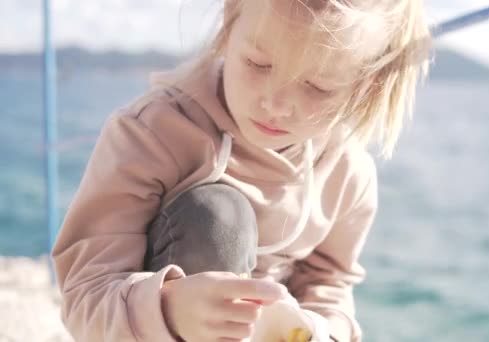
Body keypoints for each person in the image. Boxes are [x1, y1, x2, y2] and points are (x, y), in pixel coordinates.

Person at [51, 0, 432, 341]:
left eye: (317, 87)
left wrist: (323, 330)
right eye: (258, 64)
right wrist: (168, 309)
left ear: (365, 85)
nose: (277, 103)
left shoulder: (349, 173)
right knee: (217, 217)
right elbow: (86, 293)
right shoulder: (151, 131)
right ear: (230, 23)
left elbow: (329, 282)